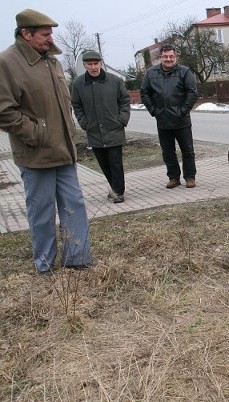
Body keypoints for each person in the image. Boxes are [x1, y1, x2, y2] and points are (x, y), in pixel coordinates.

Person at [0, 8, 92, 274]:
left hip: (64, 150)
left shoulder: (53, 61)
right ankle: (45, 265)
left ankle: (78, 258)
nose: (50, 38)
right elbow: (4, 111)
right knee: (41, 212)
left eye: (51, 33)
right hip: (36, 153)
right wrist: (36, 133)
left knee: (74, 204)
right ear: (26, 34)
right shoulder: (7, 62)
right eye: (44, 34)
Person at [71, 50, 131, 204]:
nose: (93, 67)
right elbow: (76, 105)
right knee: (104, 163)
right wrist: (84, 123)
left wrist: (122, 119)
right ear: (85, 65)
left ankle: (119, 191)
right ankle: (113, 187)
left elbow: (124, 100)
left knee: (115, 162)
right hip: (94, 131)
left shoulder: (115, 81)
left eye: (96, 64)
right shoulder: (78, 84)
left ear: (101, 64)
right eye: (89, 64)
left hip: (114, 129)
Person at [140, 44, 198, 189]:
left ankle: (190, 177)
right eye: (165, 57)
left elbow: (192, 92)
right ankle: (173, 178)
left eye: (171, 56)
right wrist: (153, 110)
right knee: (168, 152)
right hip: (163, 120)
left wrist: (183, 110)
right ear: (160, 57)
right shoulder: (151, 73)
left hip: (182, 120)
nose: (168, 59)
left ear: (175, 57)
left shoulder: (184, 72)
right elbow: (144, 92)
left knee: (188, 150)